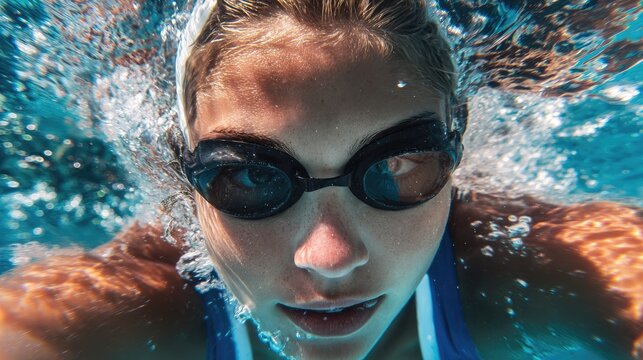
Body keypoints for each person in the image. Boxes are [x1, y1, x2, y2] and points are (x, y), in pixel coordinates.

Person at [0, 0, 641, 359]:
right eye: (251, 177)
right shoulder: (114, 309)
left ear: (456, 143)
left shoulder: (550, 267)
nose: (331, 259)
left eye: (393, 167)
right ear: (178, 164)